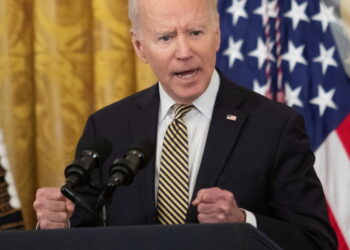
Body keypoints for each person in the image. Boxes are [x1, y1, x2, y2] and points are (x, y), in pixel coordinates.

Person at [33, 0, 337, 249]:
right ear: (139, 46)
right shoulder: (107, 128)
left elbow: (317, 241)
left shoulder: (275, 126)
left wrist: (243, 222)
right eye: (166, 37)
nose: (184, 52)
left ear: (216, 33)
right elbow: (84, 229)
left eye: (195, 32)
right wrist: (60, 224)